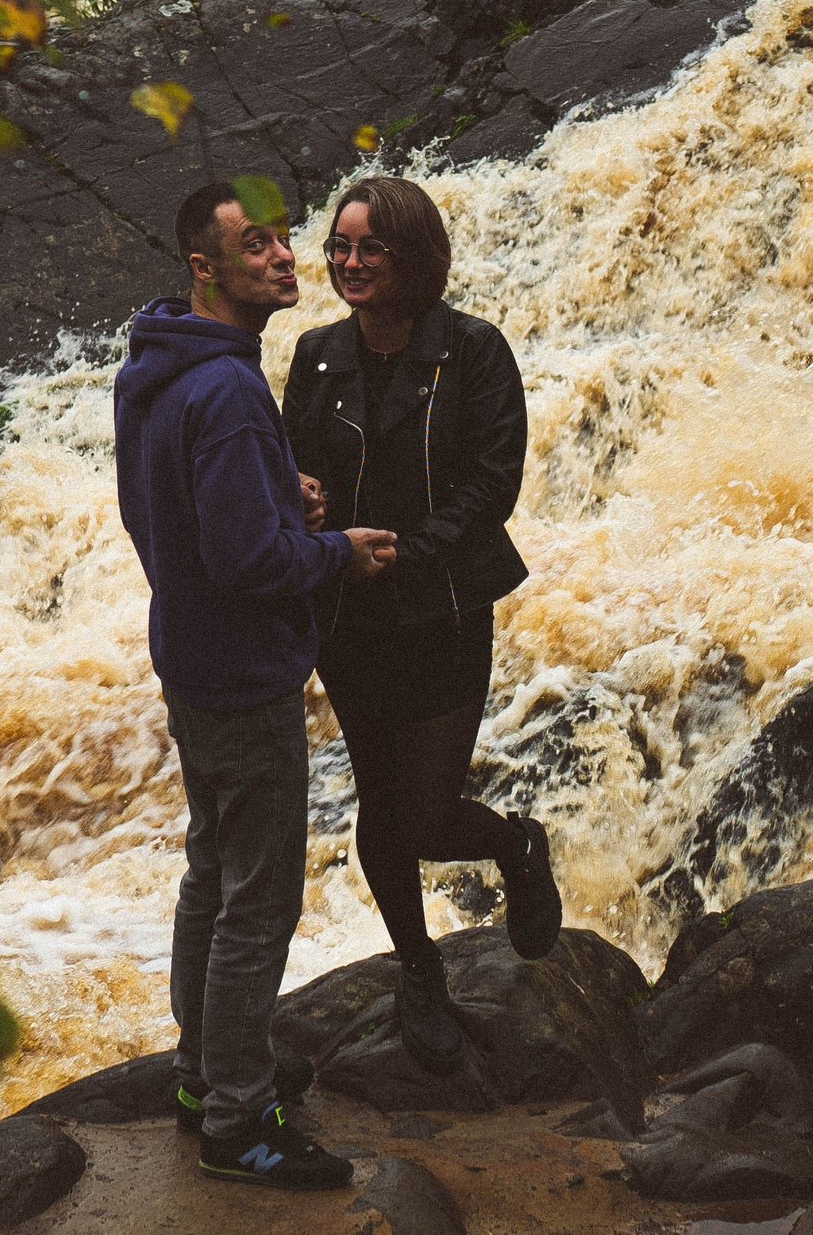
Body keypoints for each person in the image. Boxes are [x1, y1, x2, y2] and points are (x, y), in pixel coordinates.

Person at [113, 181, 397, 1190]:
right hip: (240, 669)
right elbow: (248, 564)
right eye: (257, 245)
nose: (285, 258)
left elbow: (163, 505)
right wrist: (329, 550)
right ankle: (237, 1122)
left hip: (187, 652)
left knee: (209, 872)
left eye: (285, 241)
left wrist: (277, 493)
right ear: (204, 265)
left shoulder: (161, 358)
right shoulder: (228, 390)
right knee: (258, 901)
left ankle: (200, 1073)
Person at [283, 176, 561, 1074]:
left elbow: (496, 478)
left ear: (413, 256)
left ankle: (517, 845)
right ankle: (420, 970)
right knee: (381, 809)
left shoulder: (473, 351)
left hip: (440, 603)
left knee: (430, 813)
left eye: (370, 248)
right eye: (340, 247)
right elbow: (293, 465)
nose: (350, 263)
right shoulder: (319, 355)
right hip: (351, 612)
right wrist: (304, 494)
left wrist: (417, 548)